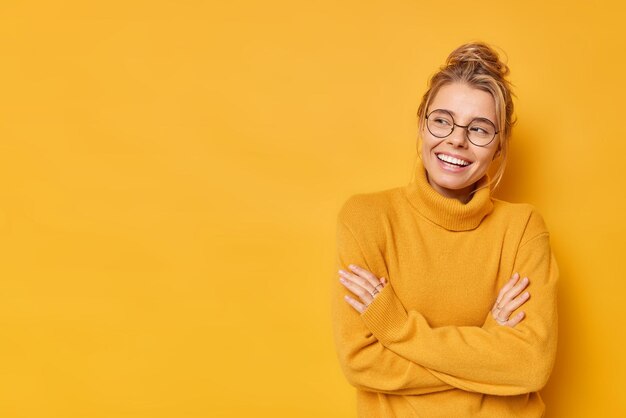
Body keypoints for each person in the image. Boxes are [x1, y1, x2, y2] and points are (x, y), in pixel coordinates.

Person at [330, 41, 558, 417]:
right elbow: (361, 362)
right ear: (421, 123)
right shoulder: (366, 218)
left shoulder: (522, 229)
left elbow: (530, 366)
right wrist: (489, 343)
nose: (457, 139)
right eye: (442, 120)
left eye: (480, 129)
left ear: (499, 146)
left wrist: (397, 330)